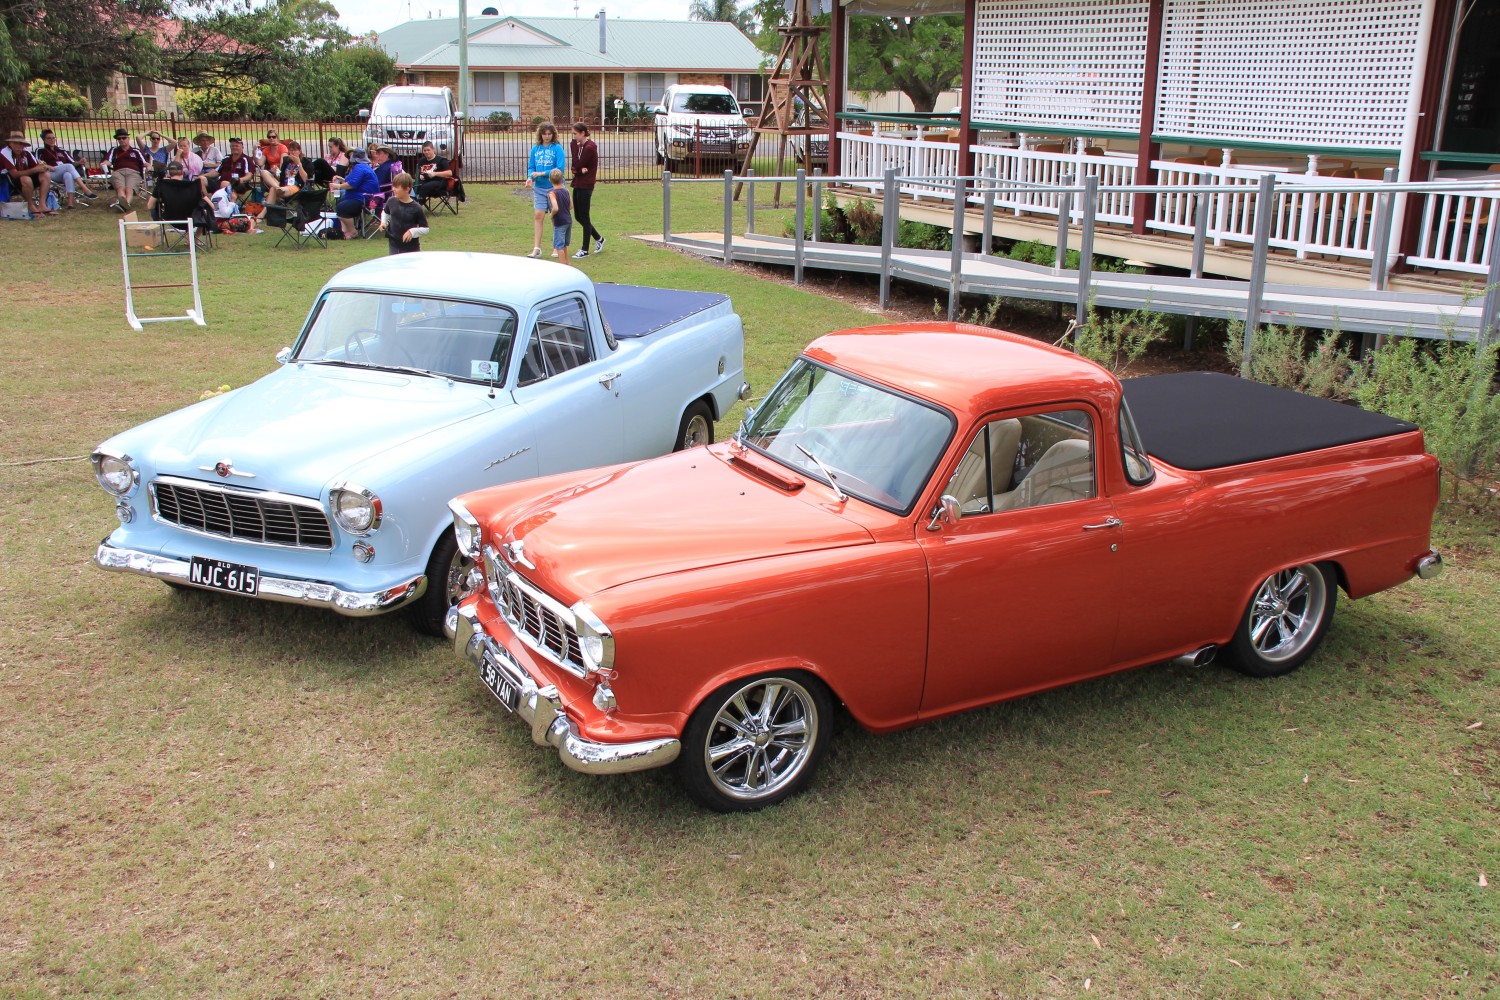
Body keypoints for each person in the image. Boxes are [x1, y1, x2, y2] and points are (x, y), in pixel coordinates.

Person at [525, 123, 565, 258]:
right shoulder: (535, 149)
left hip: (554, 187)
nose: (547, 136)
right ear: (540, 134)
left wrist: (542, 173)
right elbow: (531, 167)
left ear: (553, 134)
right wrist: (530, 178)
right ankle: (537, 248)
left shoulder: (557, 148)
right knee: (538, 215)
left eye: (549, 134)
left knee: (555, 216)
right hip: (539, 188)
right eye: (544, 133)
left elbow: (559, 169)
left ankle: (556, 246)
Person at [569, 121, 604, 257]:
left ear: (583, 133)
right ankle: (599, 238)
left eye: (575, 134)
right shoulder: (580, 146)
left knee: (585, 216)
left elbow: (578, 163)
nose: (574, 138)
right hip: (578, 183)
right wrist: (578, 170)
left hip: (586, 185)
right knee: (578, 216)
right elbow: (575, 167)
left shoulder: (589, 147)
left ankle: (584, 249)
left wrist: (578, 168)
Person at [330, 146, 380, 239]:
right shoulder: (363, 167)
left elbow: (352, 184)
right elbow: (355, 181)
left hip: (364, 199)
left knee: (342, 208)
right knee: (341, 203)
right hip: (363, 197)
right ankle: (345, 231)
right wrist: (342, 179)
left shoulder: (359, 167)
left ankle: (353, 231)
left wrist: (338, 186)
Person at [37, 129, 92, 210]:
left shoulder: (61, 150)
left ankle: (70, 204)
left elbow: (72, 162)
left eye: (53, 138)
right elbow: (37, 163)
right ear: (44, 140)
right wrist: (48, 166)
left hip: (63, 172)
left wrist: (79, 162)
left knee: (68, 174)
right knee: (68, 166)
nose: (52, 140)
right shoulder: (41, 151)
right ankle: (85, 189)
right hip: (50, 173)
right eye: (49, 138)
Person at [1, 131, 54, 215]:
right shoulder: (5, 152)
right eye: (16, 143)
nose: (19, 146)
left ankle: (42, 205)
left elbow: (36, 166)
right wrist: (35, 170)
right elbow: (14, 174)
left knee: (45, 175)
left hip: (24, 177)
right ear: (10, 143)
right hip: (8, 180)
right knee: (26, 179)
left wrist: (43, 167)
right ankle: (30, 205)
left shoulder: (25, 152)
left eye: (21, 144)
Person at [379, 171, 429, 255]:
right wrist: (383, 222)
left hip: (411, 249)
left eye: (397, 187)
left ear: (407, 189)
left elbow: (425, 229)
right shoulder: (391, 201)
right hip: (393, 245)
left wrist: (412, 232)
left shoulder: (416, 208)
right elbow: (385, 212)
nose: (393, 189)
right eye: (393, 186)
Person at [103, 128, 149, 211]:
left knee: (129, 189)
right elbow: (108, 161)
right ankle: (124, 205)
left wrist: (149, 166)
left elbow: (145, 163)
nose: (121, 140)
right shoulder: (114, 150)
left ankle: (124, 205)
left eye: (124, 138)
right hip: (118, 172)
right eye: (119, 138)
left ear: (128, 138)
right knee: (120, 188)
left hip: (133, 172)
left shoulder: (136, 151)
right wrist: (104, 164)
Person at [262, 139, 306, 205]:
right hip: (282, 185)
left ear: (299, 151)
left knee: (273, 189)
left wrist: (299, 164)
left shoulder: (305, 162)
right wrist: (276, 173)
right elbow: (281, 178)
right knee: (263, 172)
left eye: (295, 150)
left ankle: (262, 214)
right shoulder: (286, 162)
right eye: (291, 150)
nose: (293, 152)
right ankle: (278, 188)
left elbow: (305, 179)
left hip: (295, 187)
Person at [546, 168, 572, 263]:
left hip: (559, 222)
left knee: (559, 246)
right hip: (568, 220)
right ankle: (567, 263)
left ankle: (563, 266)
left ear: (550, 180)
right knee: (564, 244)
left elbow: (555, 208)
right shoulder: (566, 191)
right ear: (562, 179)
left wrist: (551, 214)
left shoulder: (552, 193)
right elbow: (571, 206)